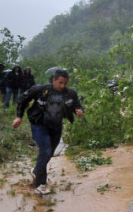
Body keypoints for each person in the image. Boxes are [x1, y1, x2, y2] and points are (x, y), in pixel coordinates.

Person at [12, 68, 84, 196]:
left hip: (56, 126)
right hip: (39, 124)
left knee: (49, 153)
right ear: (53, 80)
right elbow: (23, 98)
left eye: (65, 83)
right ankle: (41, 184)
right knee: (45, 150)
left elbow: (76, 104)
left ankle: (36, 171)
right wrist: (19, 116)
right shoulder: (40, 90)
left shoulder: (70, 93)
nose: (62, 86)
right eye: (60, 83)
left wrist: (79, 110)